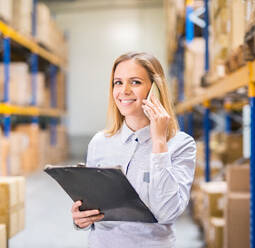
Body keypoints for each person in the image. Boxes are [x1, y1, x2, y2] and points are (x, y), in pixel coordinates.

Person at [71, 52, 196, 247]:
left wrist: (159, 143)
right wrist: (81, 219)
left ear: (154, 89)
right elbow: (91, 207)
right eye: (118, 82)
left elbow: (167, 213)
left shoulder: (181, 144)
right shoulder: (99, 143)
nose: (124, 90)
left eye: (135, 82)